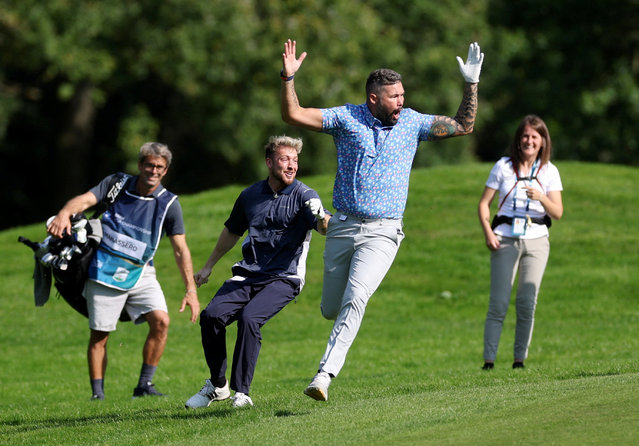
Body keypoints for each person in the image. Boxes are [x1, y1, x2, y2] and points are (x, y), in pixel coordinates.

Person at [280, 39, 484, 401]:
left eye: (403, 95)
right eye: (395, 97)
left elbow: (463, 125)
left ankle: (324, 375)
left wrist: (471, 84)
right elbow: (293, 116)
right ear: (374, 98)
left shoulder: (412, 123)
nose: (402, 102)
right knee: (332, 307)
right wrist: (288, 78)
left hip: (384, 232)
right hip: (342, 226)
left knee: (356, 298)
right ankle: (329, 349)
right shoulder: (345, 119)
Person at [184, 135, 330, 409]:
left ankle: (242, 393)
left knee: (250, 319)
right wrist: (209, 266)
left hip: (285, 277)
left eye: (295, 161)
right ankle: (218, 386)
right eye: (285, 159)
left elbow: (324, 227)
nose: (291, 166)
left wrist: (321, 216)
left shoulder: (305, 195)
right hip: (248, 274)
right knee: (211, 317)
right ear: (269, 162)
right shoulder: (250, 195)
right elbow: (231, 232)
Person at [47, 142, 200, 400]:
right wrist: (64, 213)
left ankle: (144, 386)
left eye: (159, 167)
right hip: (104, 268)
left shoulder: (169, 204)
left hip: (142, 271)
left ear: (165, 171)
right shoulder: (116, 184)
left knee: (161, 321)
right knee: (100, 334)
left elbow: (180, 249)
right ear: (140, 165)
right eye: (149, 165)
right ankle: (98, 395)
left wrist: (191, 290)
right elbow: (85, 200)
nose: (153, 171)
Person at [477, 115, 563, 370]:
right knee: (499, 302)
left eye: (535, 137)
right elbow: (484, 203)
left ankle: (519, 361)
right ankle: (489, 361)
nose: (529, 141)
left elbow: (557, 212)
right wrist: (488, 233)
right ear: (518, 139)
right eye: (525, 136)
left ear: (543, 142)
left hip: (536, 240)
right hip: (505, 238)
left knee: (527, 301)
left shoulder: (549, 171)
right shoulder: (503, 166)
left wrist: (541, 197)